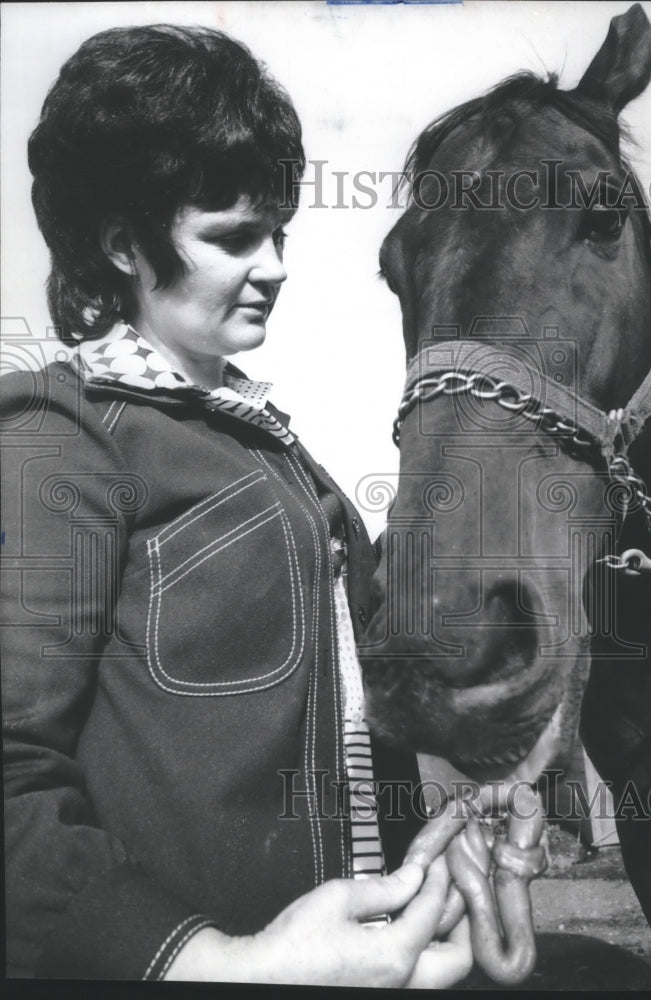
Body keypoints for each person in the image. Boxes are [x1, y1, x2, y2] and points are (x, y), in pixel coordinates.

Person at [1, 24, 472, 985]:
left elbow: (388, 682)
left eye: (279, 233)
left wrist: (475, 812)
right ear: (123, 244)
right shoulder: (60, 433)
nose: (277, 265)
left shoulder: (276, 448)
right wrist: (217, 962)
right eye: (231, 237)